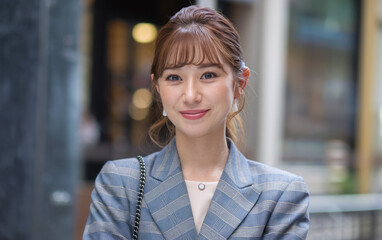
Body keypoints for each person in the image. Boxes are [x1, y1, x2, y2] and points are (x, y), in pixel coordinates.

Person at [83, 5, 310, 240]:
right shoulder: (121, 183)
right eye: (174, 78)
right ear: (158, 88)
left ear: (239, 83)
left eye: (208, 75)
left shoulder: (280, 194)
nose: (191, 95)